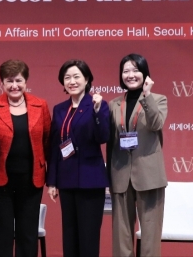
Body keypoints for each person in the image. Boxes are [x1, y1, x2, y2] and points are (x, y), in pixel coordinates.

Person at [0, 59, 51, 257]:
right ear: (2, 83)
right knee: (1, 235)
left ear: (26, 81)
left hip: (31, 180)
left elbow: (47, 141)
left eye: (18, 80)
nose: (14, 85)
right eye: (9, 81)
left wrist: (52, 178)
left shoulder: (40, 105)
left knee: (28, 235)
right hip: (0, 181)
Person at [46, 59, 110, 257]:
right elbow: (55, 147)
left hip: (91, 180)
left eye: (76, 76)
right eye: (67, 77)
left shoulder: (98, 105)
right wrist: (52, 182)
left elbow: (103, 137)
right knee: (70, 236)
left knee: (88, 237)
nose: (72, 81)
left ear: (87, 79)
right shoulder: (59, 109)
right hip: (66, 180)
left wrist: (98, 112)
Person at [108, 53, 168, 257]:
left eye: (135, 70)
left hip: (149, 176)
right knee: (121, 235)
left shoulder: (158, 99)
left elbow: (156, 124)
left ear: (145, 73)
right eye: (126, 71)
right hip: (120, 176)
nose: (130, 75)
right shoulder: (114, 104)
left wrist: (147, 95)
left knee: (150, 235)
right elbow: (111, 143)